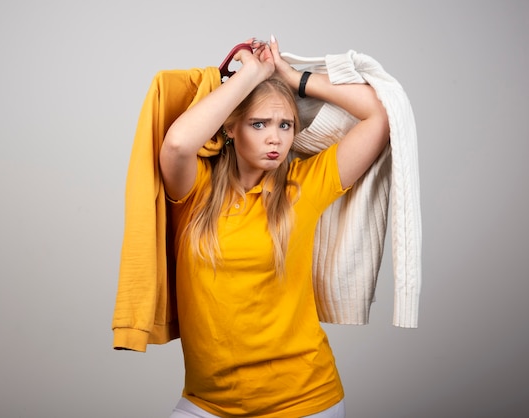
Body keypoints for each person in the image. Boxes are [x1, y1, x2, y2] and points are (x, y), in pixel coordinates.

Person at [160, 35, 390, 418]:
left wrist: (293, 76)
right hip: (209, 403)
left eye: (286, 125)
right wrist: (251, 74)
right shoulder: (194, 190)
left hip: (305, 402)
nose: (275, 138)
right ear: (230, 128)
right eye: (259, 123)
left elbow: (380, 115)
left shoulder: (303, 187)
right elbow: (178, 145)